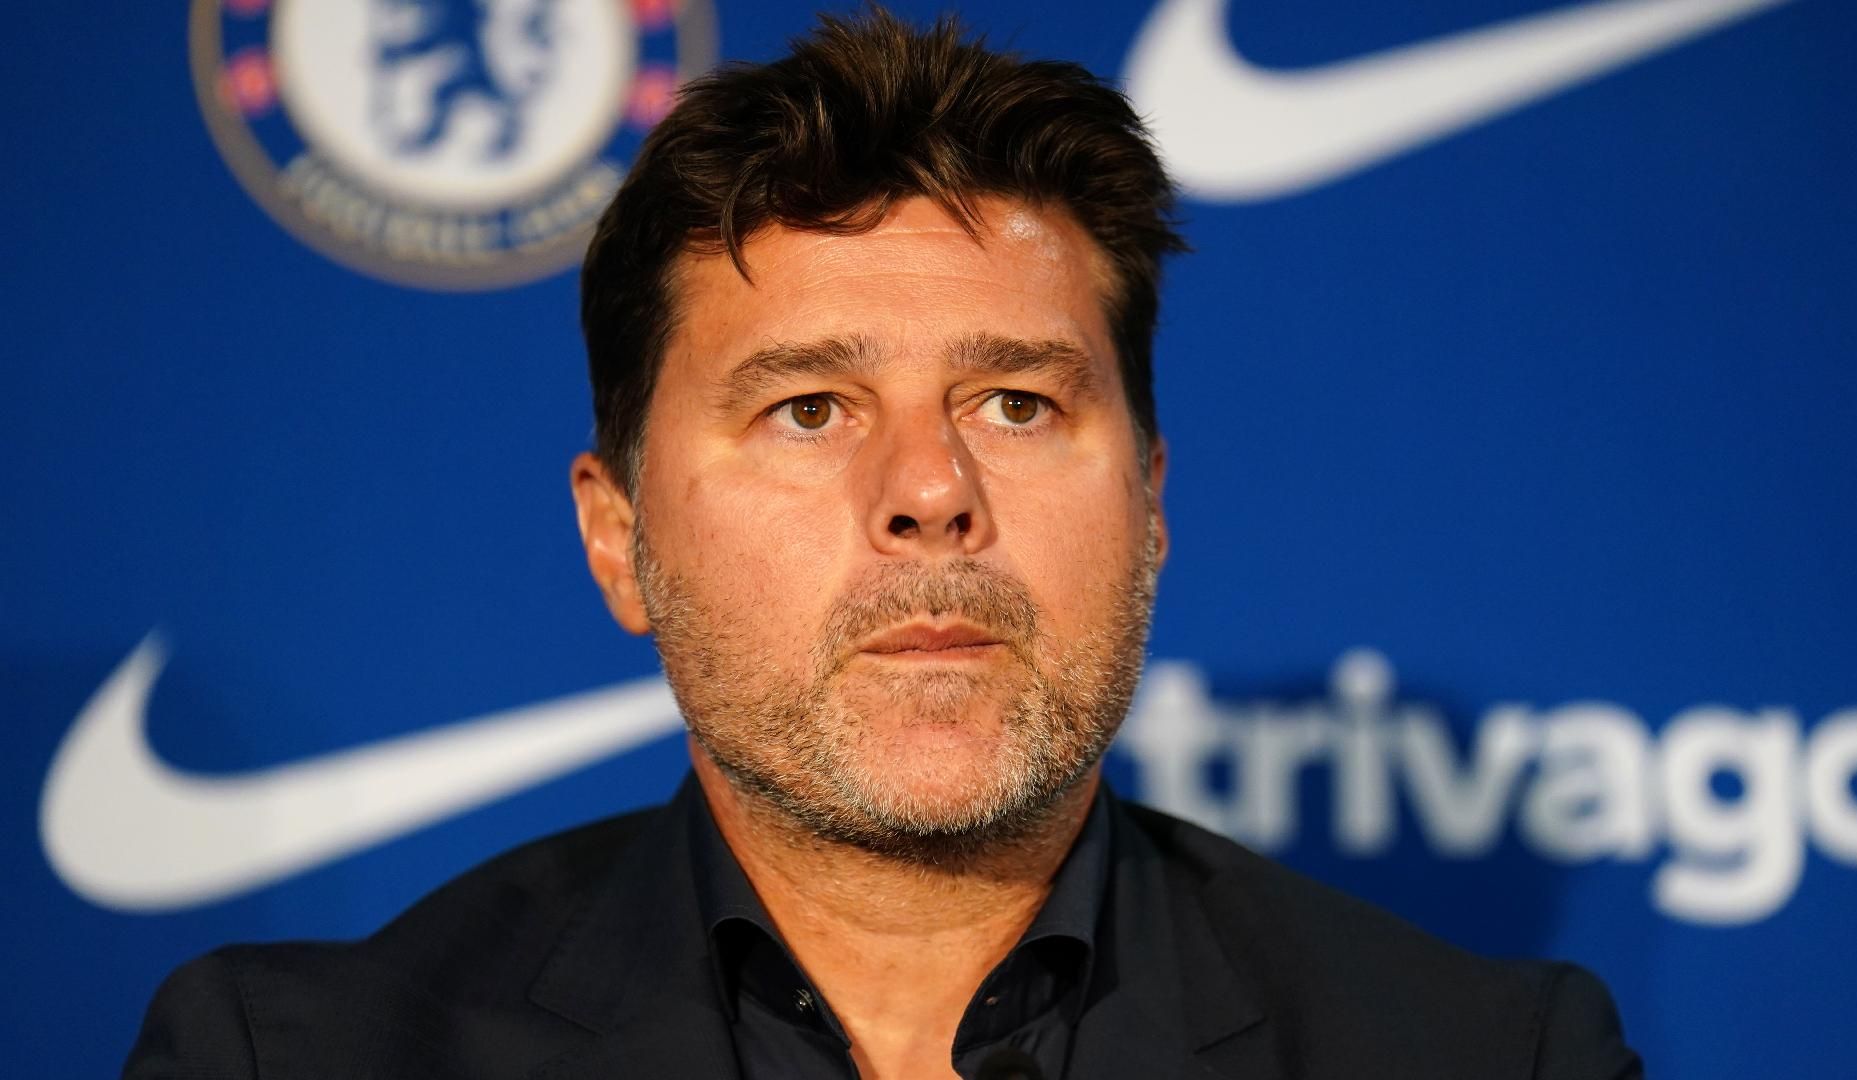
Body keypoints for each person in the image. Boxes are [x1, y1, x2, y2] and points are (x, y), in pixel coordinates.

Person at [125, 10, 1642, 1079]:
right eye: (807, 409)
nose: (931, 491)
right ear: (619, 538)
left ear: (1153, 504)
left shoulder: (1488, 1057)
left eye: (1017, 402)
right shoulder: (297, 1058)